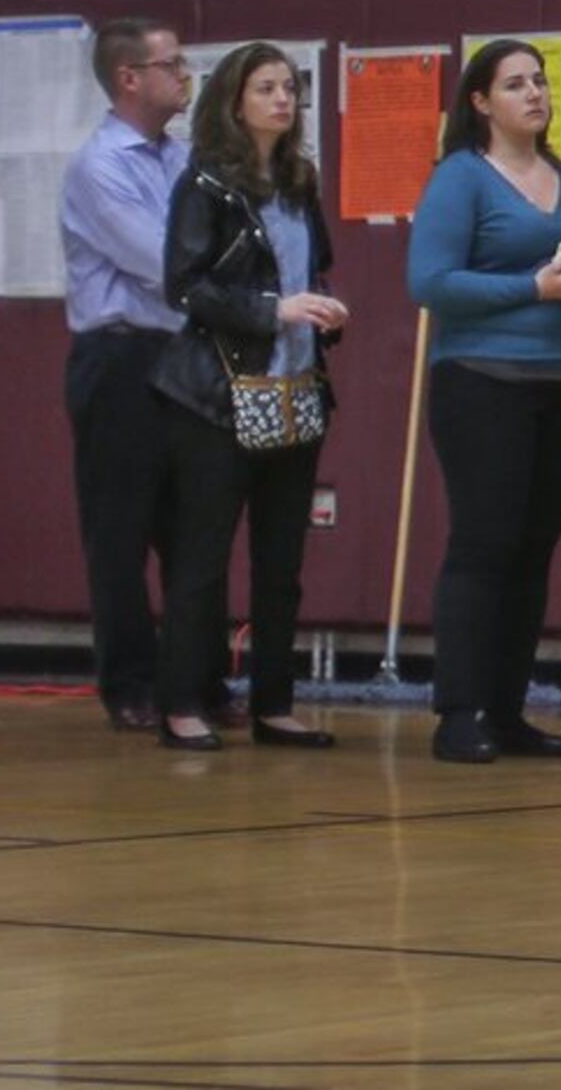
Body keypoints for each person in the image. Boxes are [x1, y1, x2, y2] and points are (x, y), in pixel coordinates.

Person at [405, 40, 561, 765]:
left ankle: (509, 709)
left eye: (540, 81)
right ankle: (459, 712)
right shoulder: (461, 178)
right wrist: (529, 288)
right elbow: (429, 282)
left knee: (532, 553)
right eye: (515, 84)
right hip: (483, 383)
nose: (534, 93)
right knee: (484, 544)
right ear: (481, 102)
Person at [154, 44, 348, 752]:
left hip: (295, 387)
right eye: (265, 88)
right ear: (234, 101)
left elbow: (311, 270)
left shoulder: (300, 182)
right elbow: (188, 286)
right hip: (217, 393)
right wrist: (274, 309)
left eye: (289, 89)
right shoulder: (204, 184)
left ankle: (274, 703)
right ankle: (182, 702)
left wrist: (322, 307)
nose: (282, 100)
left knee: (282, 562)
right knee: (203, 557)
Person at [57, 17, 190, 732]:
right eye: (170, 64)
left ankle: (189, 678)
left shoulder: (182, 157)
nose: (184, 75)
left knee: (189, 525)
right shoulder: (101, 164)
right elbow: (164, 261)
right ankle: (130, 682)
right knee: (120, 529)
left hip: (180, 353)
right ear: (129, 78)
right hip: (120, 355)